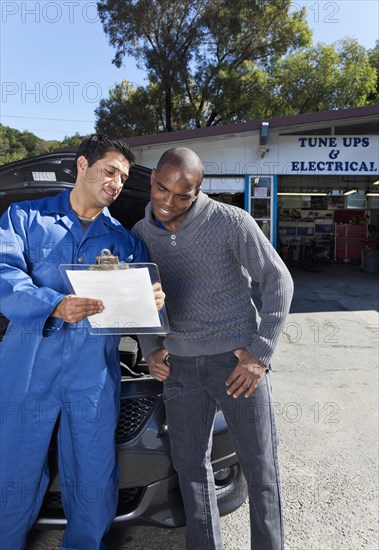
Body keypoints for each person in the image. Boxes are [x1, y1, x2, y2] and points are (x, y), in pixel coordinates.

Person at [0, 134, 164, 550]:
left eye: (124, 178)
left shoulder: (126, 241)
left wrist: (152, 299)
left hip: (93, 372)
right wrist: (54, 305)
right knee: (14, 470)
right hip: (29, 365)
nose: (116, 183)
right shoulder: (24, 217)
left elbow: (138, 313)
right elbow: (4, 275)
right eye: (110, 171)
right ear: (81, 166)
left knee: (92, 471)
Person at [132, 147, 294, 550]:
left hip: (234, 364)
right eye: (161, 188)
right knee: (190, 469)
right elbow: (138, 300)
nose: (168, 201)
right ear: (152, 179)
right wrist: (152, 348)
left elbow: (279, 282)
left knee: (261, 470)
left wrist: (261, 353)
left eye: (182, 195)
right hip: (180, 368)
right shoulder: (140, 234)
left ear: (198, 190)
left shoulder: (231, 222)